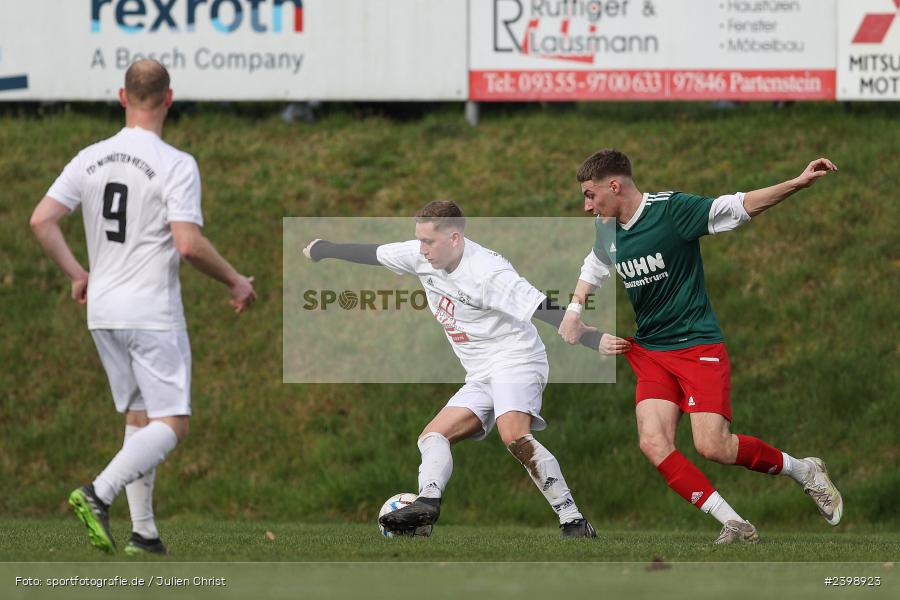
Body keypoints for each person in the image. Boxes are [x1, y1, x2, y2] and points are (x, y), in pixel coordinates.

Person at [558, 149, 843, 544]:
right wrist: (574, 310)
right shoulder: (608, 227)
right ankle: (734, 523)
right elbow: (595, 264)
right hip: (652, 351)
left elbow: (739, 206)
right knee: (652, 441)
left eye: (590, 195)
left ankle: (803, 470)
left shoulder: (672, 210)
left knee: (714, 446)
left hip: (696, 345)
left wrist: (796, 183)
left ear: (614, 186)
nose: (586, 205)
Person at [29, 59, 256, 555]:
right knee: (173, 423)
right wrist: (237, 281)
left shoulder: (89, 157)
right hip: (150, 312)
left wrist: (77, 274)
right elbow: (189, 244)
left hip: (103, 311)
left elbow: (42, 219)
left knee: (139, 417)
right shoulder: (176, 163)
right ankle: (98, 493)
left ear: (122, 96)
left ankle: (145, 534)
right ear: (168, 99)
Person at [303, 201, 627, 537]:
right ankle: (428, 502)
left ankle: (573, 520)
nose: (422, 249)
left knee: (513, 434)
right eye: (419, 240)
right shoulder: (420, 254)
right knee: (432, 436)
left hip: (516, 358)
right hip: (480, 372)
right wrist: (324, 249)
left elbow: (541, 307)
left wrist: (592, 339)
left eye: (429, 242)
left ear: (454, 238)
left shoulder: (488, 272)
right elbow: (374, 253)